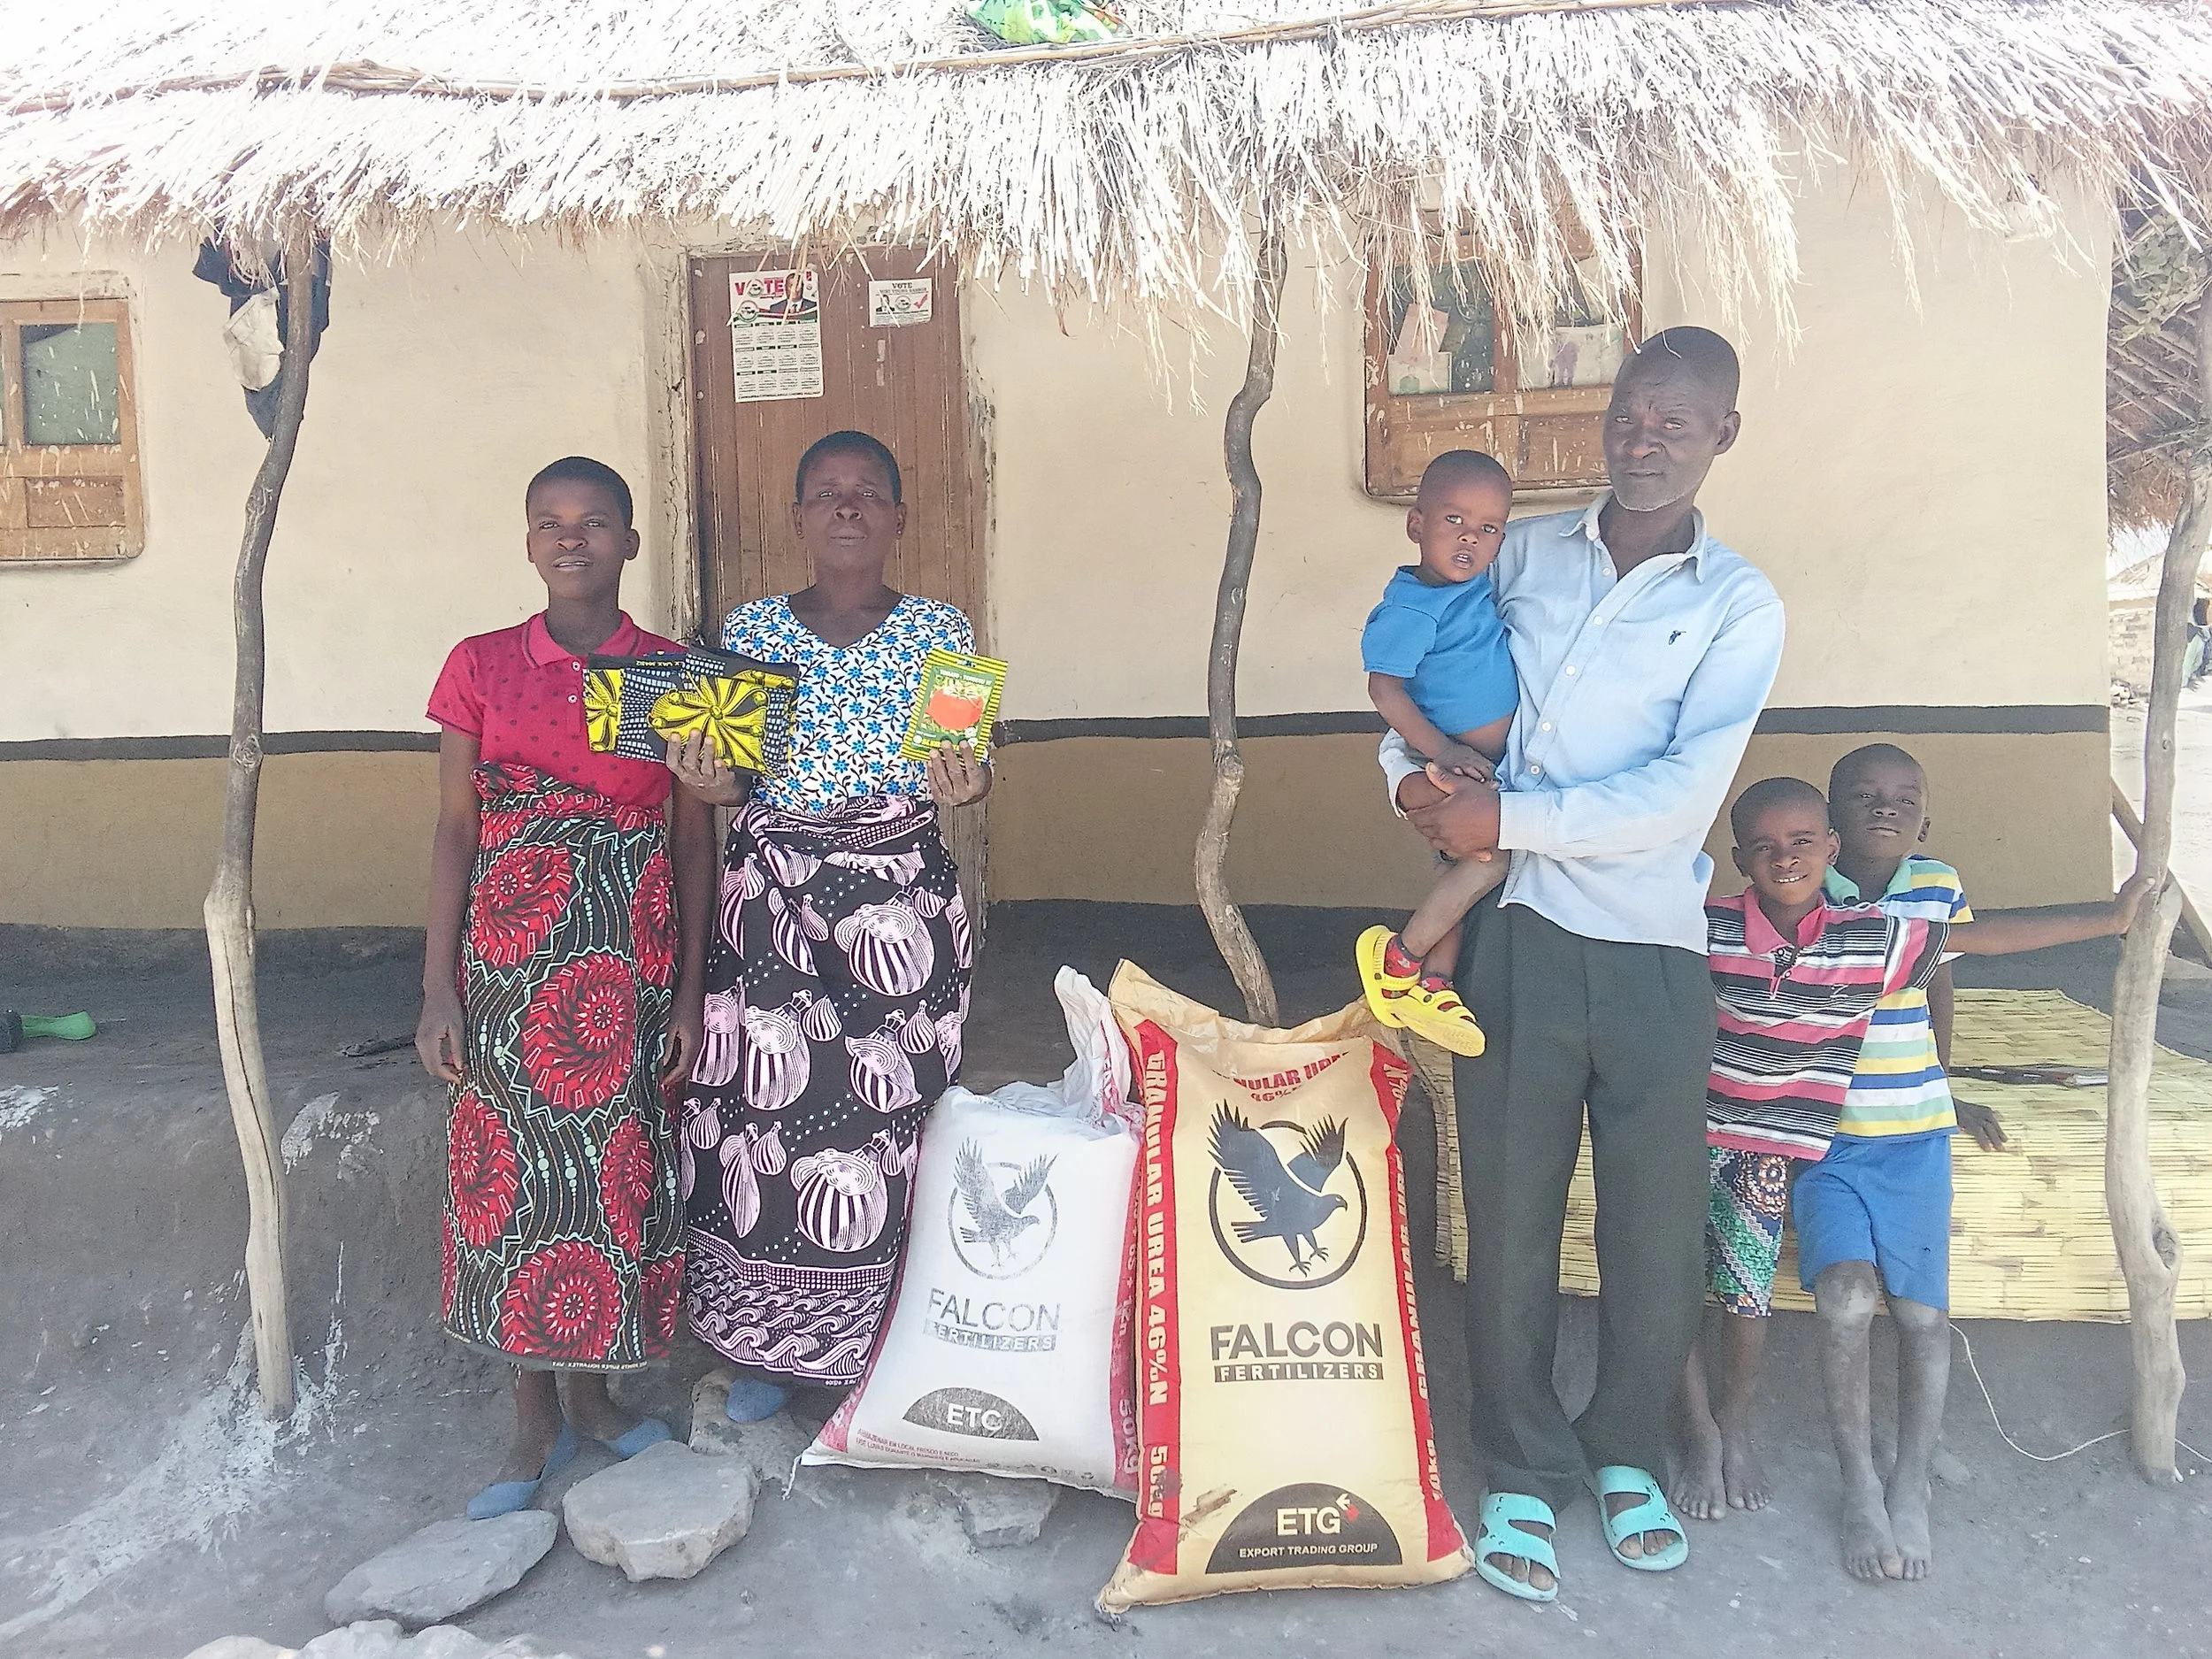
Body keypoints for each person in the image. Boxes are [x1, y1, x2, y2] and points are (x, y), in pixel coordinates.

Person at [1386, 326, 1783, 1600]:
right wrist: (1415, 783)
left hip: (1656, 945)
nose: (1643, 439)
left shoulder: (1737, 604)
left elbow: (1680, 796)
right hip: (1519, 935)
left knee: (1654, 1230)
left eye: (1676, 421)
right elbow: (1428, 671)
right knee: (1507, 1217)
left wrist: (1503, 816)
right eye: (1629, 413)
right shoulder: (1523, 552)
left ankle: (1624, 1452)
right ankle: (1517, 1462)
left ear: (1723, 434)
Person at [1671, 775, 2147, 1543]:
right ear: (1738, 857)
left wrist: (2112, 918)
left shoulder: (1870, 937)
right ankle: (1703, 1433)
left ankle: (1740, 1428)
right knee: (1667, 1288)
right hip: (1694, 1133)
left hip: (1778, 1149)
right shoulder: (1706, 924)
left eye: (1802, 842)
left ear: (1830, 848)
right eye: (1764, 846)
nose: (1784, 857)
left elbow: (1985, 938)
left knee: (1746, 1301)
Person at [670, 429, 990, 1425]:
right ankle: (770, 1349)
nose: (847, 507)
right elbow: (726, 781)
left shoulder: (942, 631)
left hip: (899, 914)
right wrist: (706, 779)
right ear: (798, 517)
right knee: (764, 1115)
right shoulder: (750, 629)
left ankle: (877, 1342)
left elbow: (966, 770)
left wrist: (967, 783)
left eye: (867, 492)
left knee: (887, 1121)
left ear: (898, 516)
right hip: (772, 907)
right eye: (826, 492)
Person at [416, 456, 713, 1519]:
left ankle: (593, 1398)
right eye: (549, 521)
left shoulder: (676, 674)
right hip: (506, 966)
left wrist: (689, 995)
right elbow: (456, 828)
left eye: (593, 522)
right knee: (512, 1181)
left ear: (629, 542)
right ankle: (532, 1417)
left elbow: (694, 837)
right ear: (528, 543)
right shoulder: (480, 665)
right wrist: (437, 988)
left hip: (629, 968)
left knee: (606, 1173)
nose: (570, 538)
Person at [1793, 742, 2145, 1582]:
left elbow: (1944, 974)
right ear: (1831, 821)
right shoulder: (1804, 889)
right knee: (1845, 1298)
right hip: (1825, 1139)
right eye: (1864, 795)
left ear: (1926, 820)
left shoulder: (1937, 883)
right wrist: (2107, 917)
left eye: (1905, 796)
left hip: (1913, 1137)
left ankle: (1910, 1480)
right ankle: (1860, 1484)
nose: (1886, 806)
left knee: (1922, 1318)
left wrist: (1946, 1090)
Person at [1354, 449, 1518, 1056]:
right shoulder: (1409, 608)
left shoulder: (1472, 588)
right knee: (1491, 859)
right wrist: (1441, 751)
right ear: (1415, 525)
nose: (1470, 538)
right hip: (1450, 764)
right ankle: (1400, 957)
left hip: (1482, 765)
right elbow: (1383, 689)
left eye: (1488, 527)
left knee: (1461, 869)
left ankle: (1434, 984)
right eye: (1454, 521)